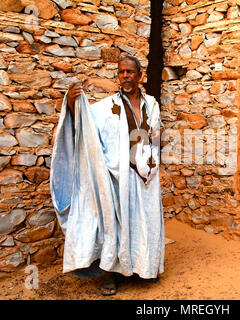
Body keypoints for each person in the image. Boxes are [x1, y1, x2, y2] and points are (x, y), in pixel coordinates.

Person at [50, 55, 165, 296]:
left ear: (140, 76)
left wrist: (154, 138)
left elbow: (156, 130)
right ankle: (111, 275)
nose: (125, 76)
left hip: (146, 177)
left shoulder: (151, 104)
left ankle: (145, 267)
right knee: (115, 225)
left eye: (130, 72)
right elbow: (86, 125)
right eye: (121, 72)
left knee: (146, 222)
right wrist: (72, 105)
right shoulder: (106, 107)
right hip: (116, 177)